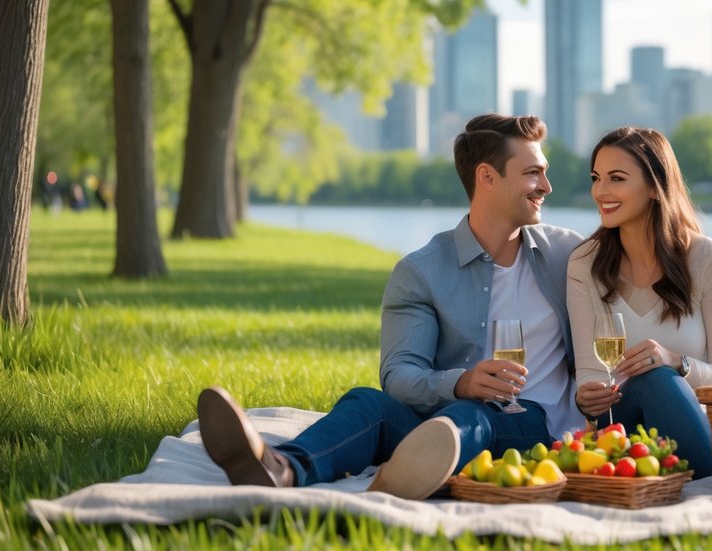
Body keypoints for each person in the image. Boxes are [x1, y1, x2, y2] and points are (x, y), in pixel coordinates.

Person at [197, 114, 584, 498]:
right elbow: (399, 374)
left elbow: (636, 263)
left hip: (538, 428)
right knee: (367, 403)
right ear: (486, 177)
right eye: (533, 173)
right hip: (442, 426)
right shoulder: (422, 270)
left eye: (544, 172)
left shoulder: (568, 254)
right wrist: (461, 382)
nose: (546, 186)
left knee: (473, 415)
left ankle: (408, 473)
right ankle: (280, 469)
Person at [567, 127, 712, 478]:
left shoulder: (707, 258)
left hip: (690, 427)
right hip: (618, 431)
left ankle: (698, 470)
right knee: (649, 380)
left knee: (659, 377)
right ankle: (709, 477)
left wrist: (676, 363)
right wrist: (585, 398)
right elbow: (589, 374)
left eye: (616, 179)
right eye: (596, 178)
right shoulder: (584, 263)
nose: (601, 191)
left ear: (654, 186)